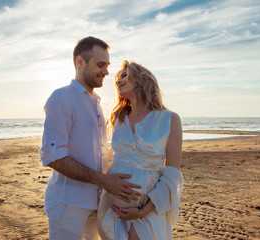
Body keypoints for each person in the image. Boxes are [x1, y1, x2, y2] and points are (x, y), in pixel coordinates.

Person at [40, 37, 142, 240]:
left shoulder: (96, 103)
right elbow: (53, 155)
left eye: (107, 66)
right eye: (100, 65)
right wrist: (104, 180)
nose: (106, 71)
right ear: (80, 62)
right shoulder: (62, 98)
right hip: (69, 203)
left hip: (98, 202)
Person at [97, 60, 184, 240]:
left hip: (149, 208)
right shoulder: (118, 119)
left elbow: (172, 173)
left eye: (125, 76)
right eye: (117, 79)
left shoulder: (170, 119)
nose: (119, 81)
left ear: (142, 79)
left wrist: (143, 211)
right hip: (112, 208)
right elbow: (107, 158)